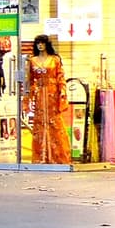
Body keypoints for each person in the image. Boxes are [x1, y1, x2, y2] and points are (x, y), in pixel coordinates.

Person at [26, 35, 70, 165]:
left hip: (52, 94)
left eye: (42, 43)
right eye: (38, 43)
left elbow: (60, 77)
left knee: (55, 124)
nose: (40, 45)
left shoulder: (55, 60)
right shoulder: (32, 61)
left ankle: (57, 156)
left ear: (46, 45)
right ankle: (41, 156)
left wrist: (62, 92)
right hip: (39, 95)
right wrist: (28, 97)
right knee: (40, 124)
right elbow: (29, 80)